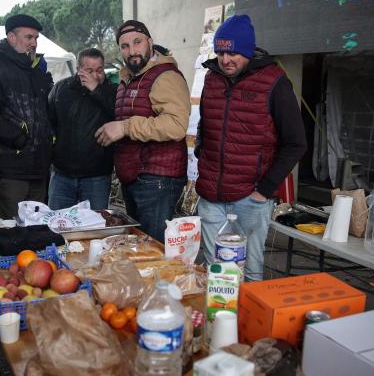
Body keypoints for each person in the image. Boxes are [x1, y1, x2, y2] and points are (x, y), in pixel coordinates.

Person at [195, 14, 307, 281]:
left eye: (233, 52)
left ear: (247, 50)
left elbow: (296, 143)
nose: (225, 59)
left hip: (250, 197)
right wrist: (202, 157)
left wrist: (264, 190)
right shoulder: (212, 78)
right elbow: (205, 124)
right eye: (221, 52)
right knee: (216, 272)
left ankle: (249, 322)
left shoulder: (274, 81)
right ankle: (219, 321)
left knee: (250, 272)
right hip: (211, 194)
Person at [96, 20, 190, 242]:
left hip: (157, 180)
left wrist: (125, 127)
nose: (132, 51)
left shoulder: (165, 76)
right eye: (125, 46)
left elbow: (176, 125)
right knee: (139, 246)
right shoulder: (128, 77)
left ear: (150, 42)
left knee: (152, 249)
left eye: (137, 42)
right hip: (135, 176)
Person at [0, 14, 54, 219]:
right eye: (29, 37)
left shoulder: (36, 70)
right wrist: (19, 138)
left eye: (36, 38)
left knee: (37, 227)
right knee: (14, 227)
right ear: (11, 37)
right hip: (10, 168)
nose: (34, 43)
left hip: (39, 167)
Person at [47, 48, 117, 210]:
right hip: (62, 174)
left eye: (99, 70)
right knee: (57, 226)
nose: (95, 75)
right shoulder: (61, 89)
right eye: (89, 70)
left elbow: (119, 113)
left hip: (97, 176)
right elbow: (49, 124)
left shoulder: (112, 91)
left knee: (95, 227)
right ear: (78, 70)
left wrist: (96, 90)